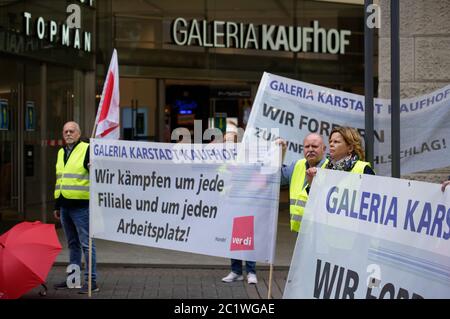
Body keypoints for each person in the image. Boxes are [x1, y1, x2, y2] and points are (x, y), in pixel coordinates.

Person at [53, 121, 99, 294]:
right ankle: (73, 280)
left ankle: (91, 282)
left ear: (79, 134)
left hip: (81, 206)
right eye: (66, 131)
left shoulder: (87, 149)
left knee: (87, 244)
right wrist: (57, 205)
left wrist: (93, 167)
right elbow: (60, 180)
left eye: (72, 131)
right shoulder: (60, 152)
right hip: (64, 206)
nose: (68, 134)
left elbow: (97, 173)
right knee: (72, 244)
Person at [220, 124, 258, 285]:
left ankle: (250, 271)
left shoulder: (248, 156)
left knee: (247, 237)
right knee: (233, 238)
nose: (228, 141)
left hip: (246, 202)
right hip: (229, 202)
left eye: (231, 138)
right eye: (226, 139)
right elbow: (218, 177)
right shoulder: (222, 157)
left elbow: (255, 175)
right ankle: (236, 271)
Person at [277, 133, 329, 233]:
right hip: (300, 230)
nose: (310, 149)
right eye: (307, 146)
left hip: (322, 231)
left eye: (314, 146)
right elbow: (276, 178)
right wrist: (280, 153)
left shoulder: (332, 169)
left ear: (324, 149)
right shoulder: (296, 165)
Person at [306, 126, 375, 186]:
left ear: (350, 148)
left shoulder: (364, 169)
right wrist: (311, 183)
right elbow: (316, 198)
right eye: (330, 141)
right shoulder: (324, 168)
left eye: (336, 142)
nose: (331, 144)